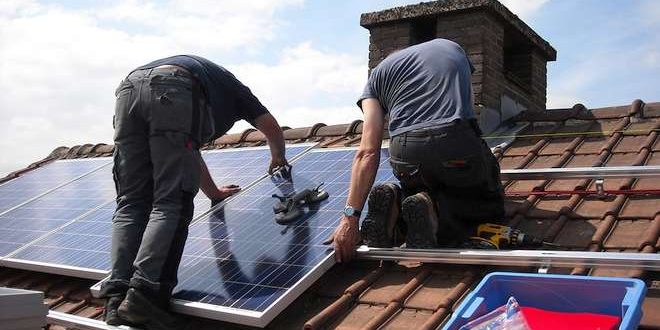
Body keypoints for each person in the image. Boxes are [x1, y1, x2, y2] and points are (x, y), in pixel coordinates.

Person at [99, 55, 289, 329]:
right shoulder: (237, 91)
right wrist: (278, 158)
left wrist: (213, 192)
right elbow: (271, 127)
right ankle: (144, 295)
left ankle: (116, 299)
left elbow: (187, 152)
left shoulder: (212, 84)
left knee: (131, 203)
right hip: (172, 86)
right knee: (171, 203)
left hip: (129, 90)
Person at [326, 39, 505, 263]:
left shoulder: (376, 76)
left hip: (405, 152)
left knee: (420, 185)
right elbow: (469, 113)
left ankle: (397, 203)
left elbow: (367, 151)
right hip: (454, 139)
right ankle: (437, 213)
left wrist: (350, 217)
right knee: (487, 197)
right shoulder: (451, 47)